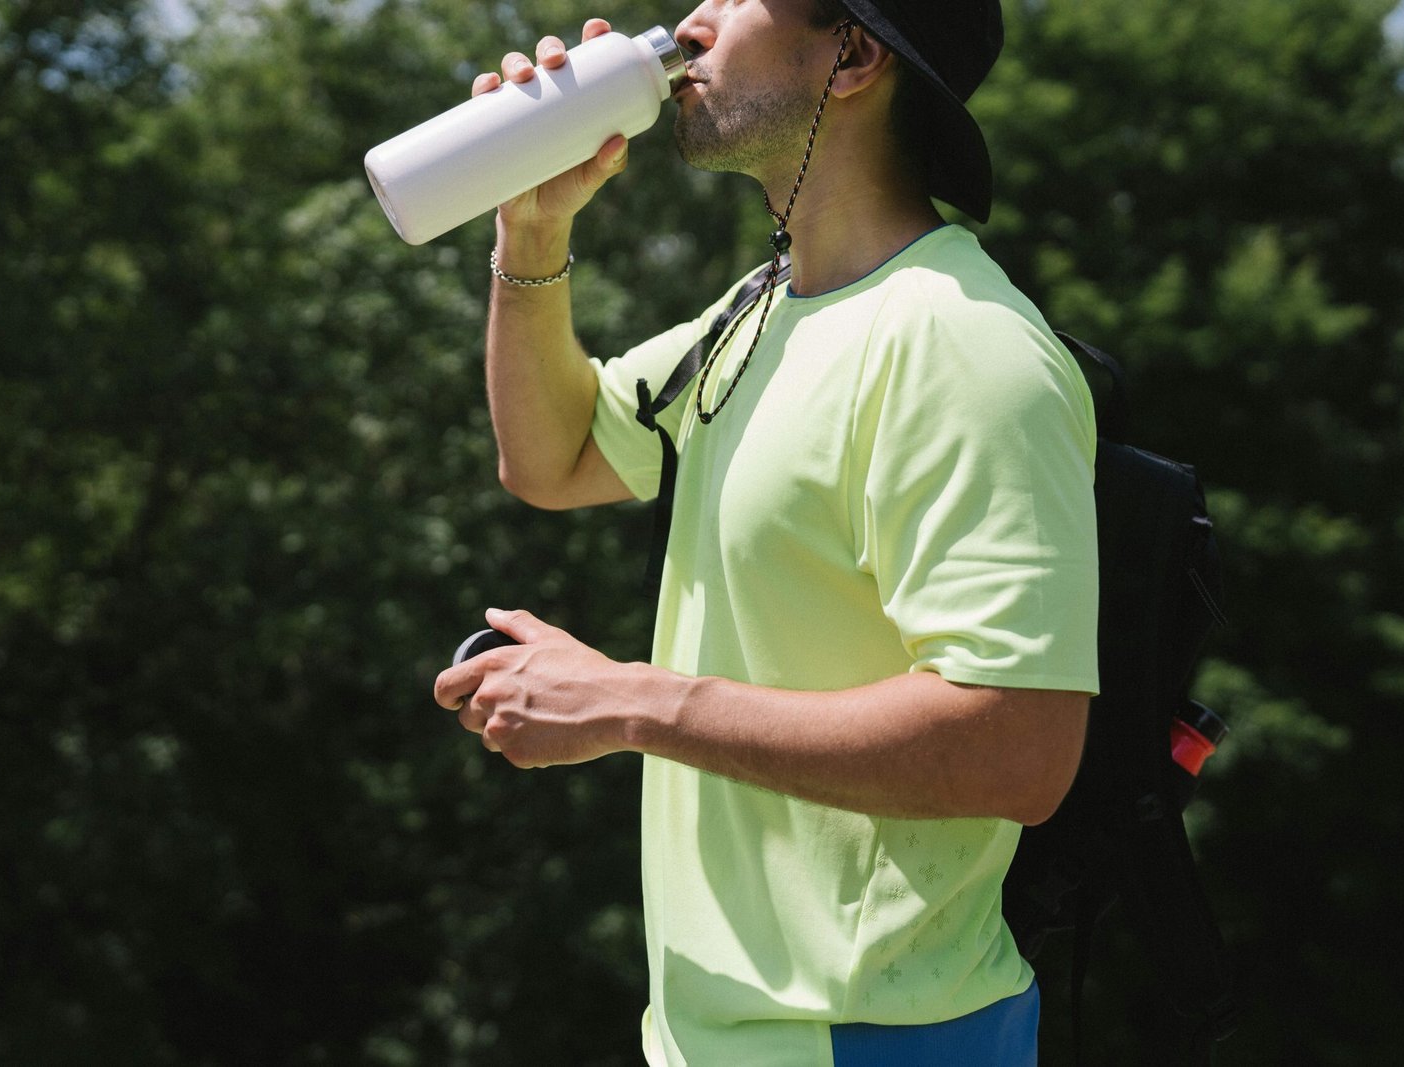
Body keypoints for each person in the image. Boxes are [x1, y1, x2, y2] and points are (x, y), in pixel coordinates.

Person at [432, 0, 1100, 1062]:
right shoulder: (761, 311)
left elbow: (1016, 746)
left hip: (873, 1037)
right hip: (717, 1033)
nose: (692, 19)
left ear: (854, 54)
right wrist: (535, 227)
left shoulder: (962, 348)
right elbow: (549, 459)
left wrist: (630, 698)